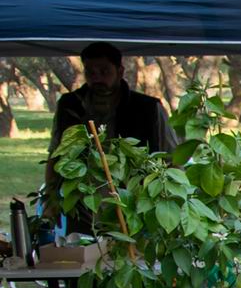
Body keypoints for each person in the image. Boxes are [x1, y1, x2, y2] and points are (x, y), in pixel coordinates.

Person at [45, 42, 177, 229]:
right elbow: (55, 155)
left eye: (104, 71)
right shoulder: (69, 105)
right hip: (83, 202)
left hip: (134, 202)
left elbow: (171, 158)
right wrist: (51, 199)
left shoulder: (148, 108)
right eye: (90, 72)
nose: (97, 78)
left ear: (120, 71)